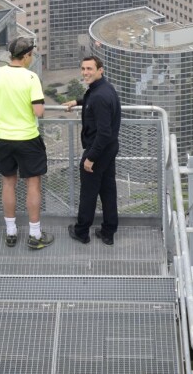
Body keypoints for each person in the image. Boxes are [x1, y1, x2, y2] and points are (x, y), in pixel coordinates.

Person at [0, 37, 54, 250]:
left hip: (4, 138)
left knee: (8, 183)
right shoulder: (31, 78)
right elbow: (38, 111)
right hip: (28, 138)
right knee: (33, 185)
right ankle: (34, 234)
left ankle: (11, 232)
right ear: (27, 56)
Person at [62, 55, 121, 246]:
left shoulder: (99, 97)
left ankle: (81, 232)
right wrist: (77, 102)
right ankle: (108, 232)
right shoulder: (104, 89)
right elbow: (92, 101)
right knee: (108, 190)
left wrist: (90, 158)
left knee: (88, 193)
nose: (85, 72)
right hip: (109, 149)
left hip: (98, 150)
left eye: (90, 69)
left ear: (100, 70)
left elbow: (103, 132)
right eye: (83, 68)